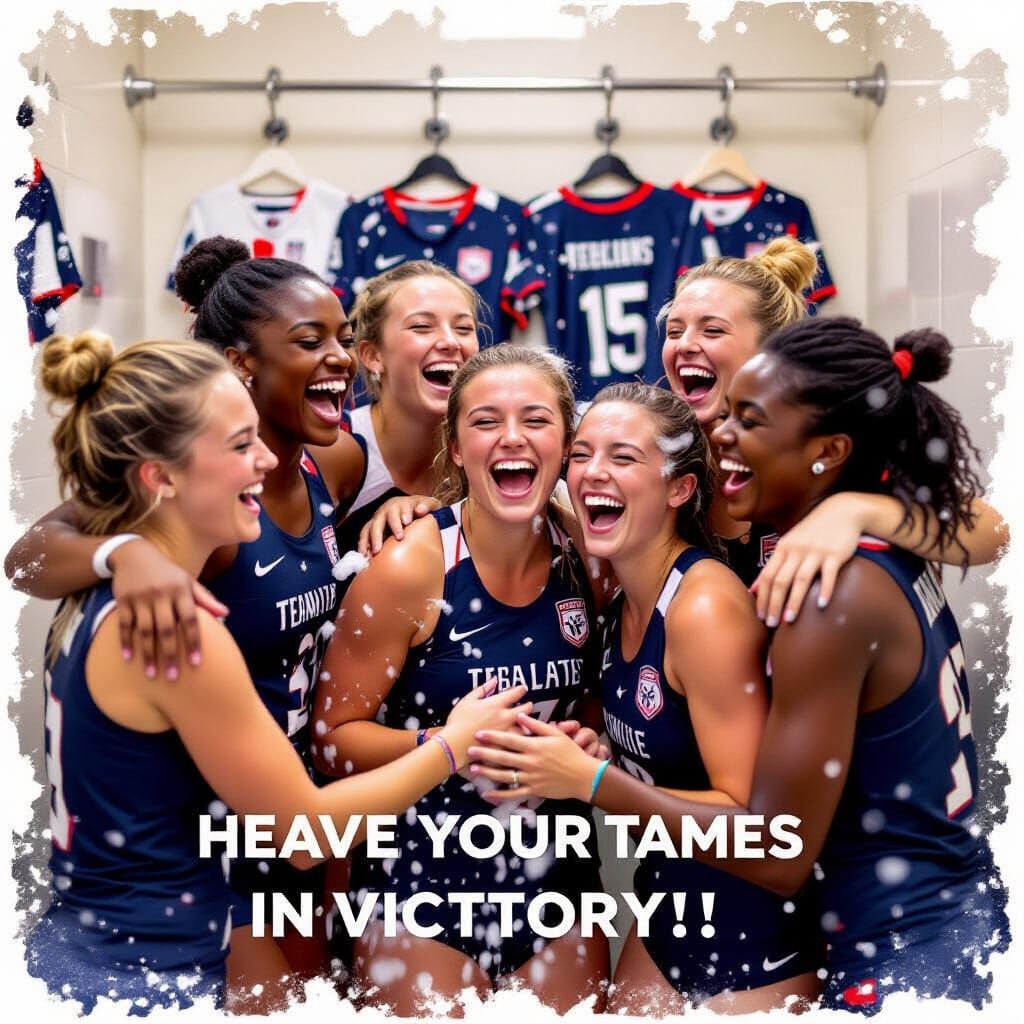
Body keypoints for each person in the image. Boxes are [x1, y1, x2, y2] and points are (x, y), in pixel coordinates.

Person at [472, 319, 1009, 1014]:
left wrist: (593, 782)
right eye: (725, 414)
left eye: (747, 420)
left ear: (827, 452)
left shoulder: (825, 591)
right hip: (923, 916)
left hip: (904, 948)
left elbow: (778, 850)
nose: (719, 432)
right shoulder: (868, 542)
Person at [5, 243, 483, 1008]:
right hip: (218, 855)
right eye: (309, 340)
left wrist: (417, 507)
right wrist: (122, 554)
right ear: (240, 366)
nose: (337, 359)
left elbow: (444, 463)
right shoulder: (194, 533)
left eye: (340, 337)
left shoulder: (319, 466)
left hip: (251, 827)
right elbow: (26, 558)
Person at [500, 381, 822, 1012]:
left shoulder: (703, 607)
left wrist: (593, 782)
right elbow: (667, 764)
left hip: (755, 941)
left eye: (623, 458)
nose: (594, 472)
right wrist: (600, 754)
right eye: (582, 454)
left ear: (679, 488)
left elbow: (765, 830)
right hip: (669, 916)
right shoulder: (618, 594)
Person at [311, 343, 609, 1016]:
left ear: (566, 442)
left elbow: (596, 704)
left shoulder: (588, 557)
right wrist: (449, 743)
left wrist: (590, 744)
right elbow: (331, 743)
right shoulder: (411, 567)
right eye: (485, 421)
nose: (511, 437)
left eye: (536, 419)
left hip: (558, 885)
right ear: (453, 444)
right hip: (418, 887)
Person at [660, 237, 1007, 605]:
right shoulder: (656, 451)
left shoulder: (819, 446)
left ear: (773, 351)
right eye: (674, 331)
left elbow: (993, 534)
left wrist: (856, 510)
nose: (684, 345)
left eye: (712, 330)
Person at [324, 259, 482, 556]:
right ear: (372, 356)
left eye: (463, 328)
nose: (450, 341)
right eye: (422, 327)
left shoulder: (493, 446)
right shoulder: (334, 447)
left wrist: (437, 513)